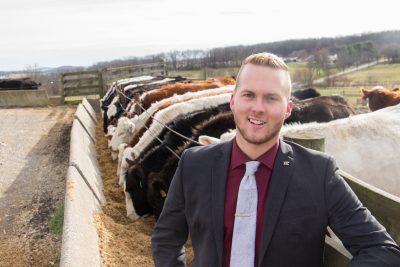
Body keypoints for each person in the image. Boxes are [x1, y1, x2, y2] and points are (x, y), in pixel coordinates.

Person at [151, 52, 400, 266]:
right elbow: (166, 236)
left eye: (271, 98)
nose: (258, 108)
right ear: (233, 101)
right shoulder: (194, 165)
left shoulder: (318, 173)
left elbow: (381, 249)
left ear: (288, 109)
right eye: (248, 95)